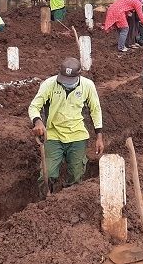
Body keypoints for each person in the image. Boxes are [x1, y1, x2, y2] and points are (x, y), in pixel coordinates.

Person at [29, 57, 104, 193]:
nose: (66, 83)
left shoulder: (88, 86)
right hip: (53, 135)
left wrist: (99, 136)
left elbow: (96, 110)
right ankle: (44, 204)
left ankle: (68, 203)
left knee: (76, 176)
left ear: (79, 76)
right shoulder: (49, 84)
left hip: (77, 136)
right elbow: (34, 106)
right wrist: (37, 121)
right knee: (47, 175)